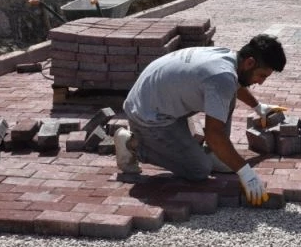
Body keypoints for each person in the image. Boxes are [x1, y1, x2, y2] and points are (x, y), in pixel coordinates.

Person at [114, 34, 287, 206]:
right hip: (148, 115)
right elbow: (214, 133)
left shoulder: (229, 58)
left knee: (228, 97)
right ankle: (133, 144)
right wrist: (246, 173)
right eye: (262, 75)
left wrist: (258, 107)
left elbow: (233, 85)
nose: (261, 82)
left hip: (157, 99)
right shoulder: (222, 76)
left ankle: (215, 152)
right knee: (199, 169)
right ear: (249, 63)